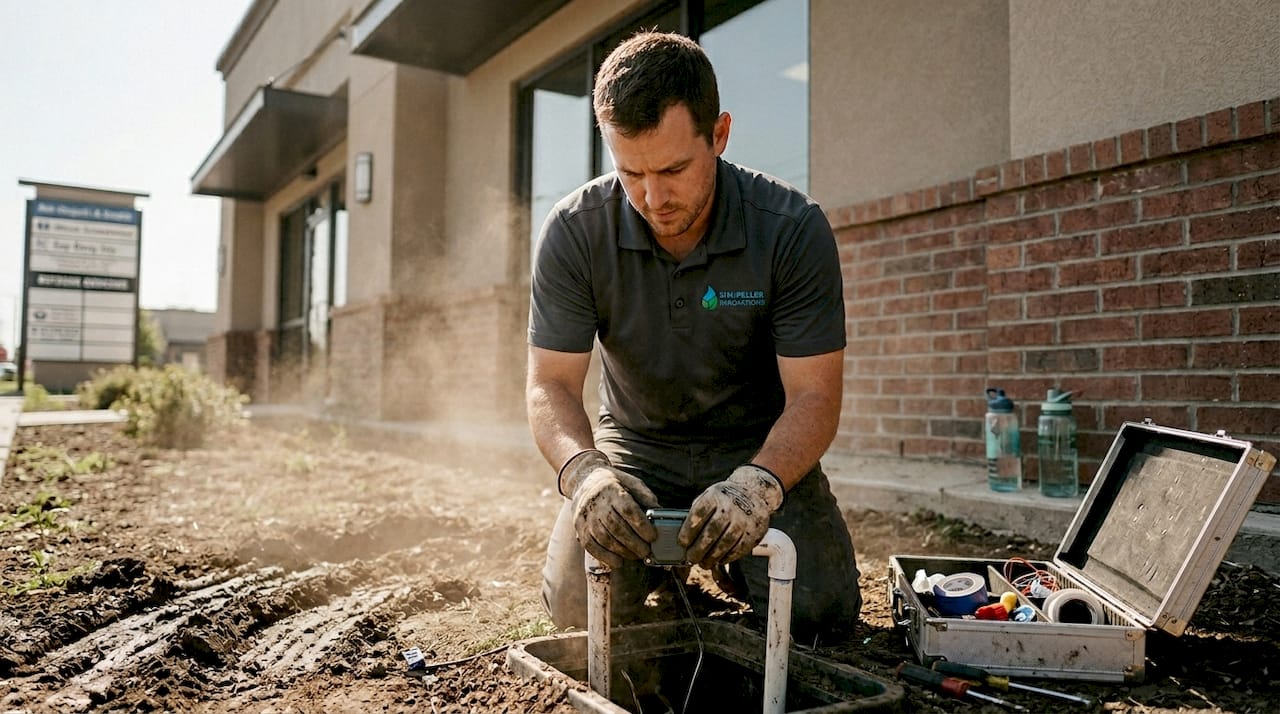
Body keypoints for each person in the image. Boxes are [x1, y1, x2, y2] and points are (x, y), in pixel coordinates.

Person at [526, 31, 861, 642]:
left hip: (757, 451)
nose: (653, 198)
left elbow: (816, 397)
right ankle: (671, 568)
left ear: (721, 134)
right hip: (635, 452)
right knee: (577, 611)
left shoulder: (792, 228)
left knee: (819, 618)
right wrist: (586, 476)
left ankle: (733, 564)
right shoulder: (576, 232)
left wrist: (759, 487)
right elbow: (550, 383)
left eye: (674, 169)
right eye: (632, 172)